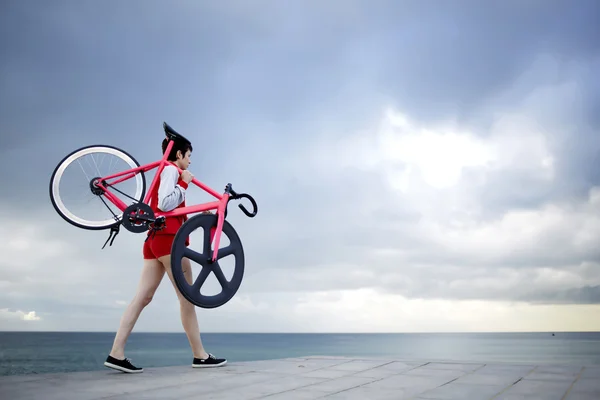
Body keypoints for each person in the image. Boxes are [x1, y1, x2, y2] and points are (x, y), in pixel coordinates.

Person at [104, 135, 227, 373]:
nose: (190, 162)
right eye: (188, 155)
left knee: (142, 298)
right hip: (169, 240)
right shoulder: (171, 170)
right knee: (188, 298)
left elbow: (163, 207)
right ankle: (200, 355)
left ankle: (116, 353)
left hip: (154, 241)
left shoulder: (164, 171)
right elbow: (165, 203)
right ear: (178, 154)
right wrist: (184, 184)